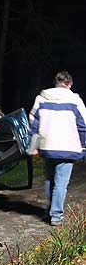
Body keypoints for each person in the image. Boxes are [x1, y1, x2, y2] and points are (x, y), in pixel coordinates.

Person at [29, 71, 86, 226]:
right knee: (61, 183)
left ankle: (48, 212)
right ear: (70, 84)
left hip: (48, 146)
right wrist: (83, 146)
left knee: (50, 179)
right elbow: (83, 125)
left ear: (55, 82)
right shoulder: (75, 100)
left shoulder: (41, 99)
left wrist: (33, 146)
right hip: (68, 147)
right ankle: (56, 216)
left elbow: (34, 124)